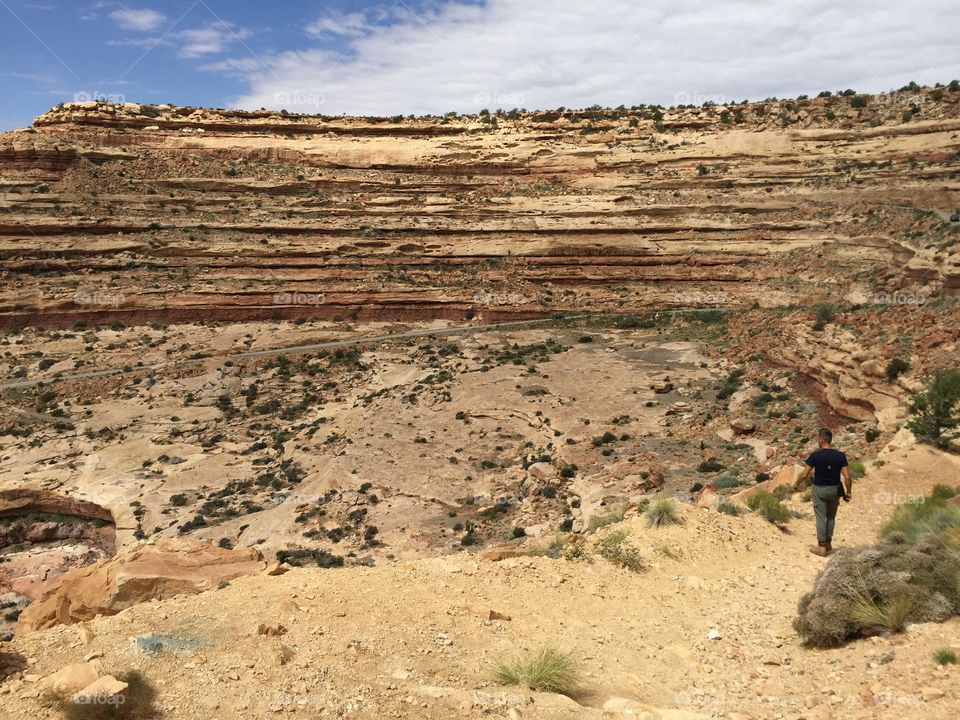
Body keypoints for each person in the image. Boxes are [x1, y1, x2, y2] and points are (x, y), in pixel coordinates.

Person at [793, 427, 852, 556]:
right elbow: (847, 476)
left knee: (820, 517)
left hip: (819, 490)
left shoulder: (815, 455)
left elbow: (804, 474)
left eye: (817, 439)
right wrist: (848, 492)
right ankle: (829, 543)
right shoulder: (840, 456)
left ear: (821, 439)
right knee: (831, 517)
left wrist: (796, 484)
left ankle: (821, 546)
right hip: (835, 490)